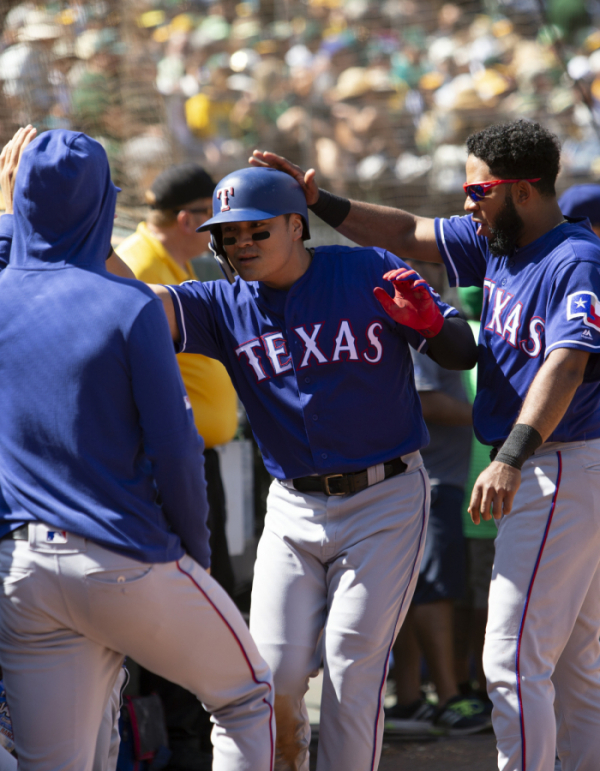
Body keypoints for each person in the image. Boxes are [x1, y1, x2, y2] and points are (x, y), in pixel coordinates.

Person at [252, 118, 600, 771]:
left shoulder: (572, 258)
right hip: (558, 465)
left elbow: (569, 362)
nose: (468, 202)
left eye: (479, 190)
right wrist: (316, 201)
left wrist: (510, 456)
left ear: (523, 188)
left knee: (510, 657)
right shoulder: (500, 240)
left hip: (558, 462)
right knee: (579, 662)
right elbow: (404, 234)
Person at [129, 165, 478, 771]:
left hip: (385, 497)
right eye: (228, 234)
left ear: (297, 225)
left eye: (256, 230)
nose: (240, 243)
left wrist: (431, 323)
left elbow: (461, 351)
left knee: (352, 664)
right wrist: (69, 233)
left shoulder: (364, 268)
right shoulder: (221, 300)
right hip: (292, 508)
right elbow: (132, 305)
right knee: (270, 675)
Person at [0, 128, 274, 771]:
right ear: (102, 205)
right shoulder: (126, 304)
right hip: (122, 559)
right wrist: (195, 559)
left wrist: (10, 208)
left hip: (21, 572)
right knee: (246, 696)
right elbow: (177, 453)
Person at [116, 163, 238, 770]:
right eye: (212, 224)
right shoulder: (134, 266)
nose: (223, 238)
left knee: (206, 597)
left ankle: (189, 739)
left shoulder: (177, 263)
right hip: (166, 469)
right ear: (188, 219)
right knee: (187, 604)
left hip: (197, 462)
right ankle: (181, 746)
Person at [386, 260, 489, 737]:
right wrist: (495, 418)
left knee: (418, 591)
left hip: (430, 477)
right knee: (433, 589)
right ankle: (448, 696)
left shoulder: (429, 312)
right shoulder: (418, 312)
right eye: (424, 259)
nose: (437, 269)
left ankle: (410, 698)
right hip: (430, 477)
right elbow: (425, 400)